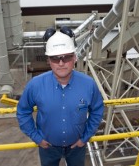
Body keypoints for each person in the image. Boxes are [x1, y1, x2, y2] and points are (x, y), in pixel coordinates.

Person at [17, 26, 104, 166]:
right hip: (48, 148)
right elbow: (23, 111)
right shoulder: (35, 85)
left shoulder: (88, 84)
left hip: (77, 147)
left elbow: (97, 110)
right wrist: (36, 138)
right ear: (48, 60)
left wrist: (85, 138)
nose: (61, 63)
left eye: (67, 57)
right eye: (55, 58)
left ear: (75, 57)